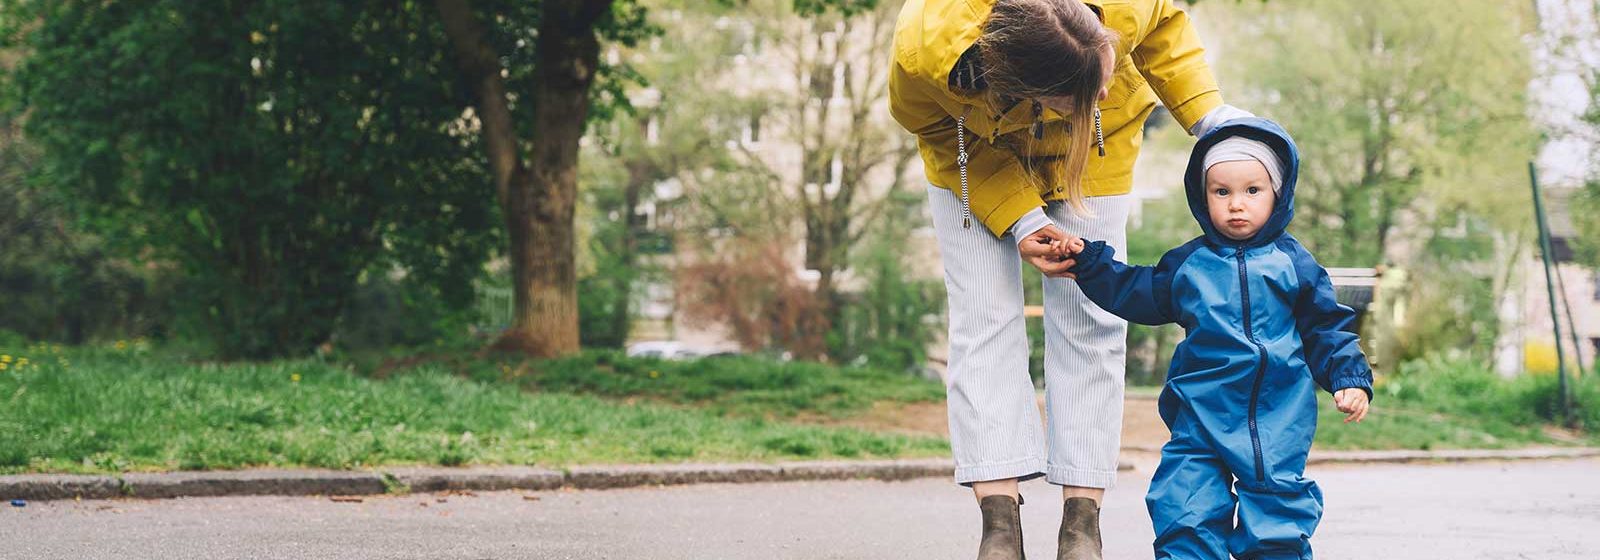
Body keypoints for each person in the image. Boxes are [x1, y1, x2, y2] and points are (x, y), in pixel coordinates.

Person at [887, 0, 1249, 558]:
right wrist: (1020, 219)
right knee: (985, 318)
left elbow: (1164, 26)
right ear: (1029, 90)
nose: (1103, 91)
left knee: (1093, 318)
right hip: (971, 151)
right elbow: (933, 126)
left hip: (1096, 149)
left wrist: (1208, 115)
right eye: (1088, 88)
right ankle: (999, 526)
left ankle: (1081, 525)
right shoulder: (925, 52)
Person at [1059, 117, 1374, 559]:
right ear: (1202, 196)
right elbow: (1138, 291)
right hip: (1200, 411)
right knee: (1185, 505)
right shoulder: (1189, 263)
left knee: (1276, 516)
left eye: (1252, 190)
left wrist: (1348, 377)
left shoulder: (1294, 263)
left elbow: (1326, 327)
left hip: (1275, 416)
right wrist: (1091, 263)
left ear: (1277, 193)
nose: (1236, 205)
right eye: (1221, 192)